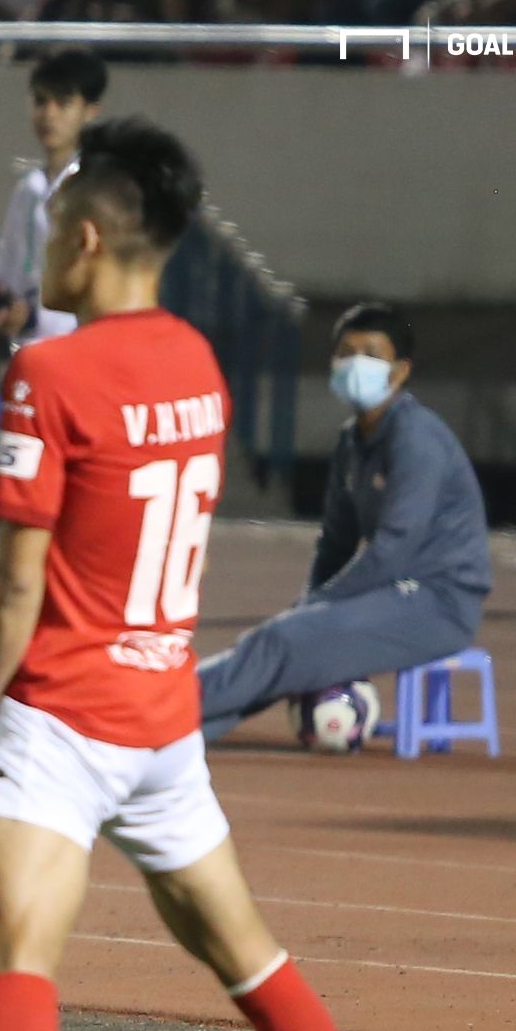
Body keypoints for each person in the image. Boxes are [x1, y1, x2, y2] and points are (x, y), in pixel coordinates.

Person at [0, 118, 346, 1031]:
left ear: (87, 239)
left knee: (14, 966)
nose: (45, 251)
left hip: (62, 715)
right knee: (253, 963)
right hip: (164, 723)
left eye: (53, 233)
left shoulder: (46, 372)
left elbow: (19, 579)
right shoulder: (198, 362)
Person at [198, 304, 490, 742]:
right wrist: (313, 600)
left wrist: (322, 605)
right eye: (346, 352)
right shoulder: (352, 441)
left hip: (437, 602)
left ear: (400, 371)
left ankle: (162, 710)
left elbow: (393, 549)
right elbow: (335, 542)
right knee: (285, 639)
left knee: (283, 640)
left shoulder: (416, 439)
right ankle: (185, 731)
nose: (356, 364)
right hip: (393, 591)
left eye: (371, 354)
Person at [0, 47, 106, 351]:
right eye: (40, 101)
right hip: (31, 355)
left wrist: (32, 317)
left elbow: (98, 292)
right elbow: (3, 273)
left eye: (63, 103)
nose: (48, 114)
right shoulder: (29, 189)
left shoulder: (100, 190)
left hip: (81, 356)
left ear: (90, 111)